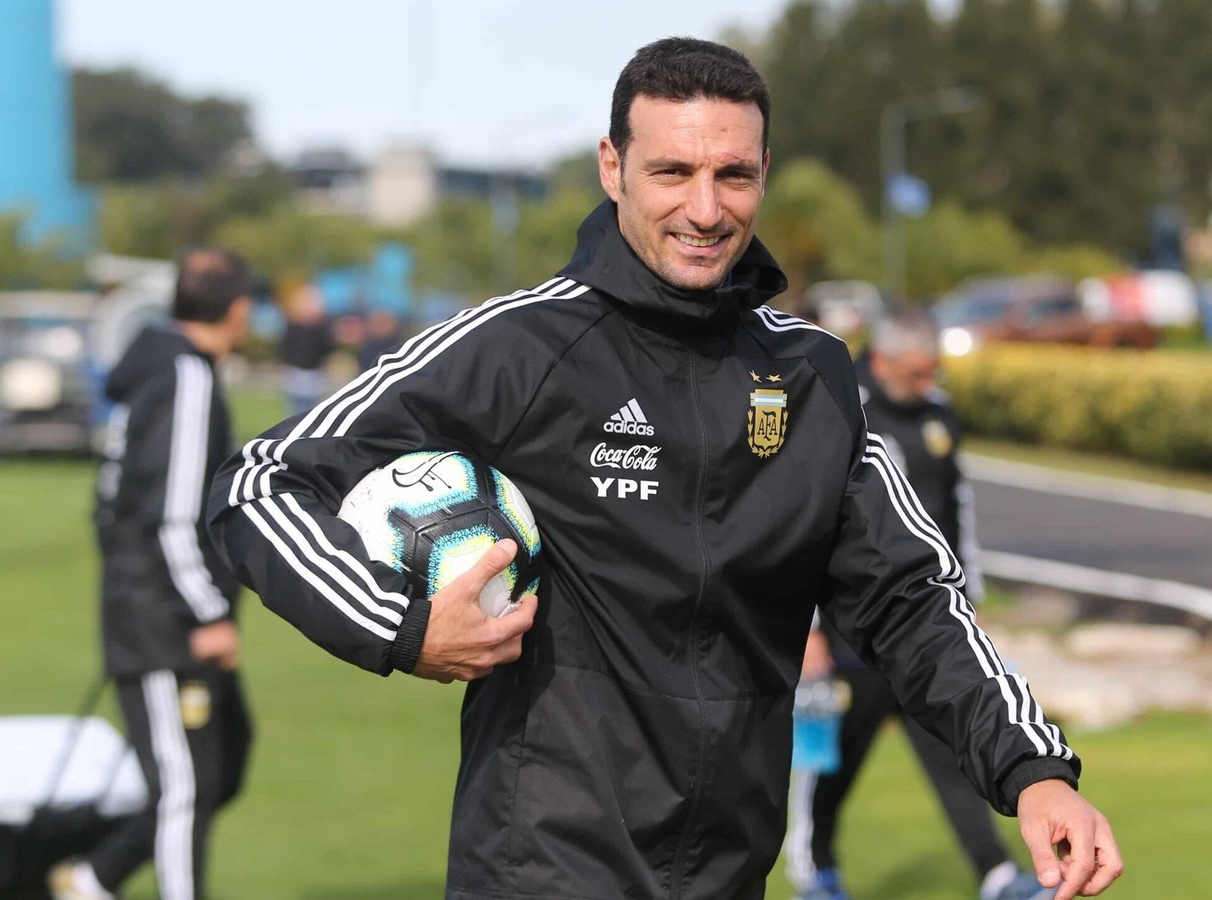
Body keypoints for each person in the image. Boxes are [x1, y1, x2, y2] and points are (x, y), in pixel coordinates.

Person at [206, 38, 1121, 900]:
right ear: (613, 168)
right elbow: (258, 482)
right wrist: (402, 626)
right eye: (673, 172)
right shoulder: (521, 349)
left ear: (763, 171)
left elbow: (910, 600)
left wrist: (1032, 770)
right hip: (542, 872)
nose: (706, 209)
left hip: (729, 873)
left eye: (734, 175)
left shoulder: (813, 380)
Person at [785, 314, 1049, 900]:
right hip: (851, 626)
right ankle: (815, 872)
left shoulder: (939, 412)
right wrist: (809, 629)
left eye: (933, 372)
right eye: (915, 373)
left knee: (954, 752)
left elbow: (958, 507)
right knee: (833, 759)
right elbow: (803, 522)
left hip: (924, 622)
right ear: (882, 362)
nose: (926, 383)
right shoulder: (837, 405)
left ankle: (996, 872)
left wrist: (967, 603)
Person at [50, 248, 255, 900]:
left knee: (221, 767)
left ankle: (93, 879)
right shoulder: (185, 376)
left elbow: (112, 506)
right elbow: (169, 517)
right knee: (183, 788)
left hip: (152, 605)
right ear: (238, 310)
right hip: (167, 621)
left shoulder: (157, 368)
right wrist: (207, 612)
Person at [278, 284, 335, 416]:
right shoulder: (293, 326)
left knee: (311, 412)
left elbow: (326, 347)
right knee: (295, 411)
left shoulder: (321, 328)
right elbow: (286, 348)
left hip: (314, 373)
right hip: (296, 372)